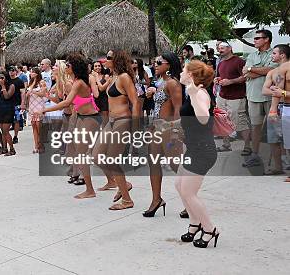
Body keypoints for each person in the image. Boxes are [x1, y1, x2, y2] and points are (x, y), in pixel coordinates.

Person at [40, 54, 101, 199]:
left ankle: (90, 190)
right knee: (86, 154)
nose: (66, 67)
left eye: (68, 65)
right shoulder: (75, 81)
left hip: (89, 118)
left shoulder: (78, 82)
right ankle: (109, 182)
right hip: (82, 117)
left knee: (84, 155)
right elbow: (70, 102)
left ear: (74, 67)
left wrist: (44, 109)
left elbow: (66, 102)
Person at [175, 60, 219, 248]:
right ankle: (195, 223)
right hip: (193, 148)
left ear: (191, 75)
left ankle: (210, 229)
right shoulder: (191, 93)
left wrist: (193, 93)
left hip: (203, 150)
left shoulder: (199, 93)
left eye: (184, 70)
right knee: (179, 185)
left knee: (189, 192)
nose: (180, 73)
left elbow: (203, 119)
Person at [93, 50, 139, 211]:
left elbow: (135, 102)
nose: (106, 60)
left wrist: (135, 128)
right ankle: (123, 183)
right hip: (111, 121)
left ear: (117, 60)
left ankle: (127, 200)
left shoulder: (125, 77)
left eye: (109, 58)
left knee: (112, 160)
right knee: (97, 155)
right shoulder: (113, 77)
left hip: (122, 121)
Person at [143, 52, 183, 217]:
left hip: (167, 128)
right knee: (153, 163)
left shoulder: (173, 83)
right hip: (156, 127)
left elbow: (178, 109)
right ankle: (156, 199)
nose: (155, 64)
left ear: (169, 64)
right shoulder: (160, 81)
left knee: (176, 166)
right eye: (155, 61)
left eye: (159, 62)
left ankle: (189, 200)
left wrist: (174, 132)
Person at [242, 29, 277, 167]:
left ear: (266, 39)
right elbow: (245, 73)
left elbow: (272, 70)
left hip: (270, 97)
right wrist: (261, 71)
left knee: (274, 128)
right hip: (253, 97)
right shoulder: (251, 55)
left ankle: (277, 160)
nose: (254, 40)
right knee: (255, 128)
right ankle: (255, 156)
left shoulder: (275, 53)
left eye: (257, 38)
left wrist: (252, 69)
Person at [213, 41, 251, 153]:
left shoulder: (239, 61)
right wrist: (217, 79)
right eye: (219, 48)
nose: (219, 50)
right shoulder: (221, 63)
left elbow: (245, 77)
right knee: (222, 120)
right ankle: (226, 145)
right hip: (222, 96)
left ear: (230, 48)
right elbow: (220, 76)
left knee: (240, 121)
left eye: (222, 48)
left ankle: (247, 147)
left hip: (236, 97)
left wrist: (231, 81)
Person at [261, 44, 289, 176]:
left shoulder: (284, 69)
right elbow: (264, 90)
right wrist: (276, 93)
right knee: (273, 139)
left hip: (286, 106)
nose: (271, 55)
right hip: (277, 107)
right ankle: (278, 167)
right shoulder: (273, 72)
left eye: (274, 53)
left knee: (287, 140)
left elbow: (278, 91)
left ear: (282, 55)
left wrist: (281, 92)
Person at [26, 67, 47, 153]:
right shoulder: (30, 83)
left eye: (33, 72)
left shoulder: (41, 82)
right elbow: (27, 94)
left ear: (37, 73)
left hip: (39, 105)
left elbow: (43, 94)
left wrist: (33, 91)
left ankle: (41, 144)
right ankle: (36, 145)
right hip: (32, 105)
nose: (31, 74)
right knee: (34, 125)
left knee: (39, 125)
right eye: (31, 72)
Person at [0, 71, 16, 156]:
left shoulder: (11, 86)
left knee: (6, 130)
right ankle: (4, 148)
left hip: (9, 110)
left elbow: (7, 96)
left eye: (2, 78)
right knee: (2, 131)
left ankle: (12, 149)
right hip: (1, 110)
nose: (0, 80)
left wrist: (3, 86)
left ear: (6, 78)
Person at [9, 66, 26, 144]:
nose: (11, 72)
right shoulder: (7, 80)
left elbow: (23, 93)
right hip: (8, 103)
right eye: (10, 70)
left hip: (17, 103)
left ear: (16, 71)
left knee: (16, 120)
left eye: (13, 71)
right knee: (8, 120)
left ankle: (15, 136)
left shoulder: (19, 81)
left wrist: (23, 103)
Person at [93, 61, 110, 125]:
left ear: (101, 67)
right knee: (96, 119)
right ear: (93, 67)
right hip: (95, 99)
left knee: (105, 119)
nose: (97, 67)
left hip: (104, 99)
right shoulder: (91, 77)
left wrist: (96, 78)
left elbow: (102, 88)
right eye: (96, 66)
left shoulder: (105, 76)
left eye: (99, 66)